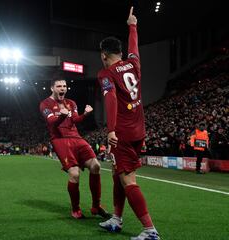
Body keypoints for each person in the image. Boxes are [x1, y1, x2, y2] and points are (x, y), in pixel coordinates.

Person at [97, 7, 160, 240]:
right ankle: (116, 218)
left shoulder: (106, 74)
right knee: (117, 174)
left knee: (127, 179)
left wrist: (111, 128)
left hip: (122, 132)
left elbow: (111, 98)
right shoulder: (133, 64)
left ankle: (150, 230)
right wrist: (132, 25)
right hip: (138, 130)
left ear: (104, 55)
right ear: (119, 52)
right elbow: (134, 48)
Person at [39, 72, 110, 219]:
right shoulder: (45, 104)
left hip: (77, 137)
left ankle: (96, 206)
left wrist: (85, 114)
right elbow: (52, 123)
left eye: (64, 86)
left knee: (96, 166)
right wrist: (63, 115)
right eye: (59, 86)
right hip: (60, 140)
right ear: (52, 88)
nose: (62, 88)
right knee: (74, 173)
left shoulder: (71, 103)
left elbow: (75, 120)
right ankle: (75, 209)